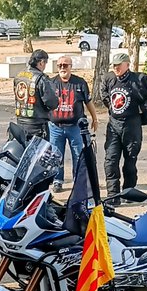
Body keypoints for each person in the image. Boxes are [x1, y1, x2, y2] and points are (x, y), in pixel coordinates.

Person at [100, 51, 147, 199]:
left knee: (130, 161)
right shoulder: (109, 78)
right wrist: (111, 106)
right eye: (114, 66)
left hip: (132, 125)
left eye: (119, 65)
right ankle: (113, 195)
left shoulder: (140, 79)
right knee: (110, 160)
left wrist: (144, 107)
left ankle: (128, 192)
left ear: (127, 65)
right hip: (114, 125)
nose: (116, 68)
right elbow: (103, 93)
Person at [48, 57, 96, 193]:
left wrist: (95, 118)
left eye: (65, 65)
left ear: (71, 66)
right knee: (56, 156)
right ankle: (57, 181)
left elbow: (88, 102)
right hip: (55, 127)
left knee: (78, 155)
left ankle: (78, 181)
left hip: (75, 126)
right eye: (59, 65)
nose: (62, 68)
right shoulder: (51, 83)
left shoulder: (79, 83)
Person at [13, 49, 56, 140]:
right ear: (41, 62)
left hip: (20, 122)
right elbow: (52, 102)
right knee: (38, 152)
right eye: (45, 63)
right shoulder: (41, 78)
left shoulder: (19, 76)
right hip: (37, 125)